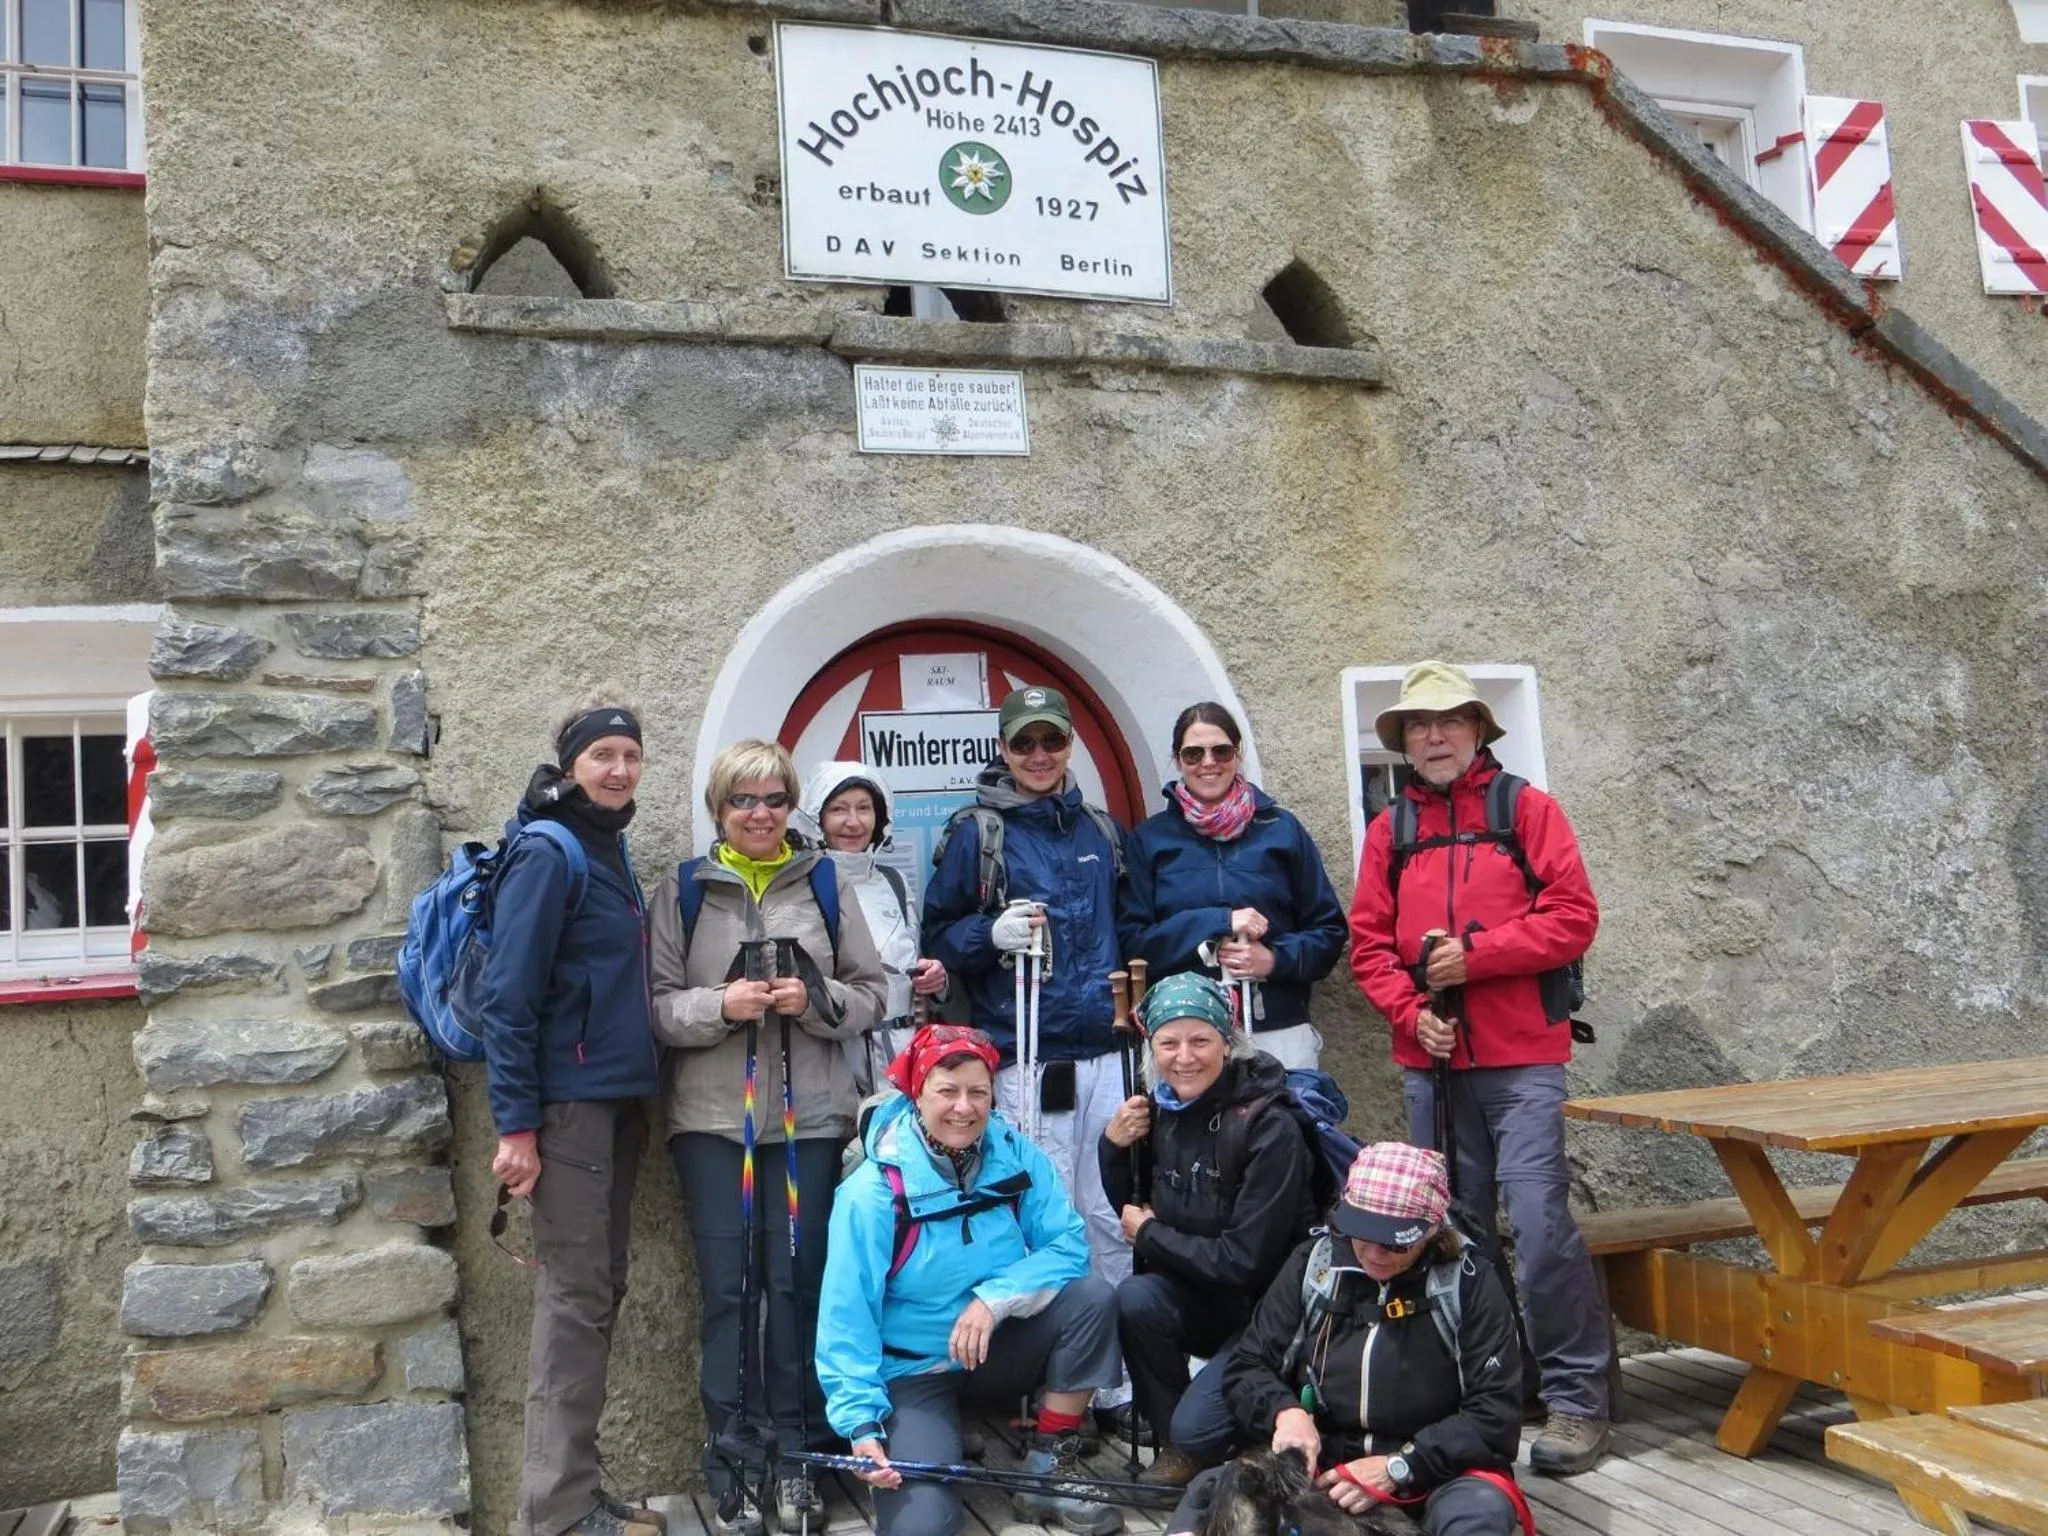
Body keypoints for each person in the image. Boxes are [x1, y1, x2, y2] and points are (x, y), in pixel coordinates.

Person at [1347, 660, 1609, 1477]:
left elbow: (1574, 918)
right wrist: (1409, 1010)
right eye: (1418, 727)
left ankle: (1577, 1400)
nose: (1433, 737)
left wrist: (1478, 960)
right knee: (1455, 1236)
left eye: (1448, 722)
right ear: (1404, 742)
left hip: (1524, 1056)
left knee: (1537, 1228)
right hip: (1433, 1063)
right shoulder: (1390, 830)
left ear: (1476, 731)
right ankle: (1501, 1383)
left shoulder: (1527, 810)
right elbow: (1369, 945)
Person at [649, 739, 888, 1536]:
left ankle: (799, 1458)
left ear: (792, 807)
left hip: (807, 1120)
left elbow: (872, 993)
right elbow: (655, 1008)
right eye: (743, 801)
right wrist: (721, 1005)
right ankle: (732, 1459)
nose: (760, 814)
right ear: (719, 810)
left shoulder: (821, 882)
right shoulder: (685, 890)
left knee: (799, 1289)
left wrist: (809, 1000)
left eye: (774, 800)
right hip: (716, 1124)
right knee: (729, 1292)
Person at [478, 689, 666, 1536]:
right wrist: (516, 1127)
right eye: (603, 756)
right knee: (574, 1302)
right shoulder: (552, 852)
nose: (620, 769)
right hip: (567, 1115)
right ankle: (553, 1517)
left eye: (629, 756)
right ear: (569, 767)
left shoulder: (602, 846)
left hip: (610, 1105)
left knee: (596, 1294)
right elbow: (507, 1000)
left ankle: (576, 1493)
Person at [817, 1024, 1125, 1536]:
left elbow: (1069, 1245)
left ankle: (1050, 1469)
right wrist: (861, 1426)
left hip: (996, 1348)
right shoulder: (872, 1193)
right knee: (922, 1528)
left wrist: (994, 1299)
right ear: (917, 1092)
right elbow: (847, 1317)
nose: (965, 1107)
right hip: (914, 1373)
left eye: (978, 1091)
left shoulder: (1014, 1155)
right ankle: (924, 1442)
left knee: (1091, 1299)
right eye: (947, 1090)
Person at [920, 685, 1135, 1413]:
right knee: (1040, 1215)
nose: (1039, 756)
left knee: (1107, 1209)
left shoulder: (1101, 833)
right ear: (1004, 749)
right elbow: (939, 938)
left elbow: (1133, 930)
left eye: (1051, 741)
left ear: (1069, 744)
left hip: (1101, 1052)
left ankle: (1110, 1385)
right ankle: (1037, 1381)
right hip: (1023, 1053)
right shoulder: (976, 833)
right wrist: (991, 935)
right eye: (1024, 743)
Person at [1168, 1143, 1529, 1536]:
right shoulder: (1314, 1264)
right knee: (1215, 1488)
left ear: (1430, 1230)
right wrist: (1284, 1411)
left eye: (1395, 1241)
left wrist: (1401, 1466)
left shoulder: (1469, 1283)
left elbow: (1495, 1416)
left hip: (1435, 1470)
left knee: (1480, 1514)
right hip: (1327, 1461)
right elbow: (1247, 1365)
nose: (1374, 1254)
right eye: (1362, 1234)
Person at [1098, 973, 1317, 1488]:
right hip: (1204, 1299)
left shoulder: (1270, 1126)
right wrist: (1113, 1148)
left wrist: (1150, 1236)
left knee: (1203, 1426)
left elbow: (1246, 1260)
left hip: (1267, 1313)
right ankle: (1182, 1448)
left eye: (1200, 1040)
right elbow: (1135, 1211)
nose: (1184, 1057)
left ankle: (1221, 1436)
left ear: (1228, 1041)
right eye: (1168, 1043)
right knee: (1135, 1298)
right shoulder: (1167, 1110)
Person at [1118, 702, 1348, 1071]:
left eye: (1220, 751)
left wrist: (1274, 959)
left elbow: (1330, 931)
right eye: (1193, 753)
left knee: (1284, 1129)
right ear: (1178, 760)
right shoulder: (1151, 840)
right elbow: (1134, 943)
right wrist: (1219, 922)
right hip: (1187, 1036)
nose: (1208, 762)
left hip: (1276, 1027)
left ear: (1237, 754)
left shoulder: (1280, 829)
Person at [797, 760, 948, 1092]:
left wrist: (934, 979)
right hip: (835, 1064)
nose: (853, 822)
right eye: (839, 809)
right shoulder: (801, 886)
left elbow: (915, 965)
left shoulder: (894, 882)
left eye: (864, 808)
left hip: (903, 1062)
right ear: (816, 818)